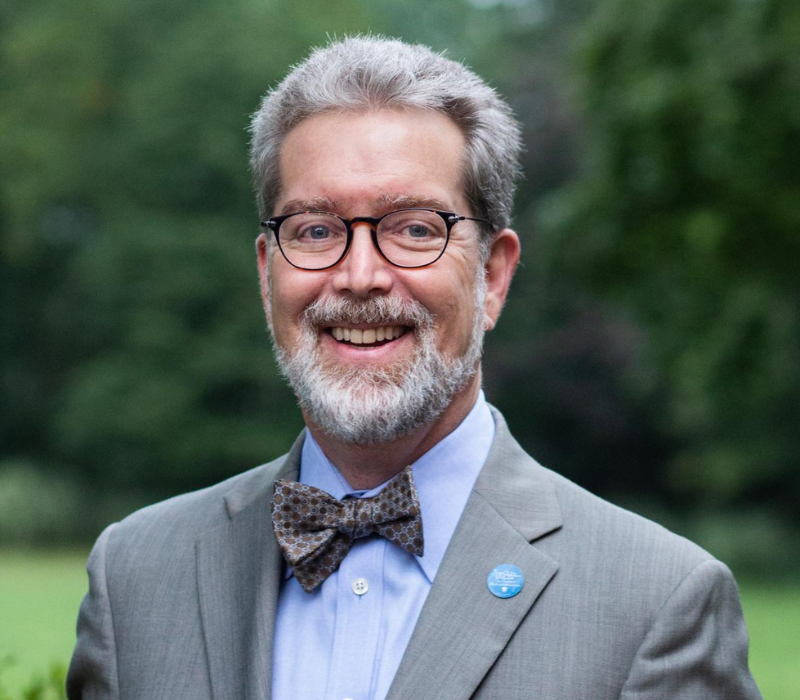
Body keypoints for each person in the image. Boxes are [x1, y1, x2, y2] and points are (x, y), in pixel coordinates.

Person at [67, 36, 762, 700]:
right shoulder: (135, 577)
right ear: (266, 272)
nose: (361, 276)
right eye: (314, 229)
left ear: (492, 276)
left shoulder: (656, 604)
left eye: (414, 229)